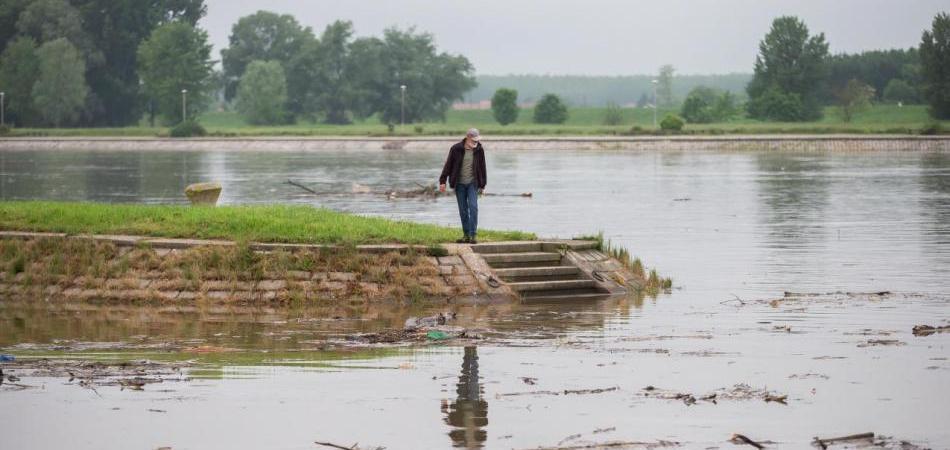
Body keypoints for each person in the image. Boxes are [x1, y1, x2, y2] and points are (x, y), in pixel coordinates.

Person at [439, 128, 487, 244]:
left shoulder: (479, 150)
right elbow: (448, 165)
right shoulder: (456, 149)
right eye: (473, 140)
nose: (476, 142)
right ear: (468, 137)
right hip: (459, 184)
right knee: (463, 210)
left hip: (473, 183)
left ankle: (473, 235)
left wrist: (483, 184)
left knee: (473, 207)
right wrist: (443, 181)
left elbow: (482, 167)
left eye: (477, 140)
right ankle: (466, 235)